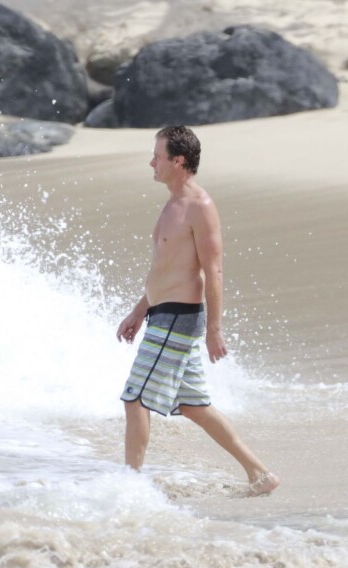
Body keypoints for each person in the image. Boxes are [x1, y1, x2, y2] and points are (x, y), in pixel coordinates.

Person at [116, 125, 279, 496]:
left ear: (179, 160)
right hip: (161, 313)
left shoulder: (199, 206)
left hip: (179, 318)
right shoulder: (171, 204)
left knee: (135, 399)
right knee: (194, 406)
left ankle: (129, 487)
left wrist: (214, 329)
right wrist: (140, 310)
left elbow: (213, 269)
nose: (151, 162)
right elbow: (165, 268)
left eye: (158, 156)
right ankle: (260, 474)